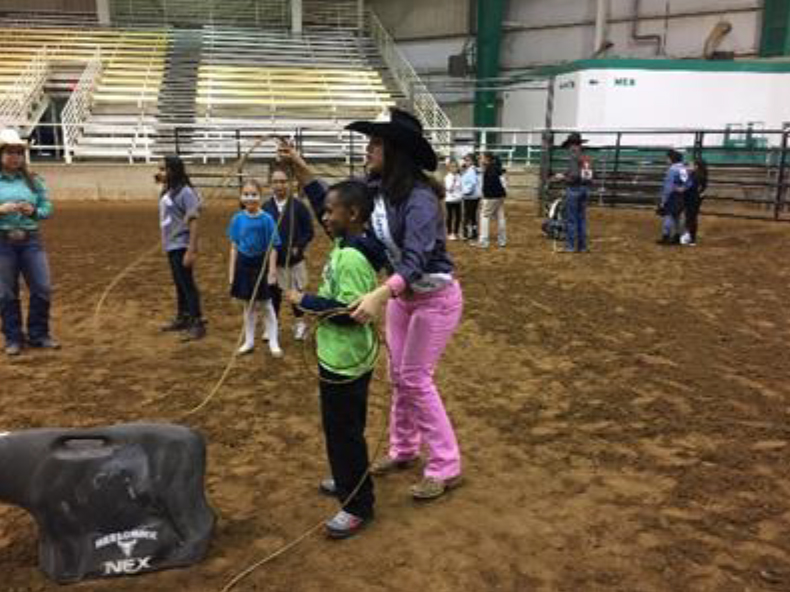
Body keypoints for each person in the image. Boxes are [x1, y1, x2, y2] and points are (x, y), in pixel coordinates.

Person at [282, 108, 464, 501]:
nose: (368, 148)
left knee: (414, 377)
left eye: (376, 143)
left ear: (395, 150)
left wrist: (381, 294)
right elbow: (337, 206)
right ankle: (403, 448)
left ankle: (446, 464)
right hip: (403, 297)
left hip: (434, 299)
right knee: (399, 375)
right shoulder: (374, 190)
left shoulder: (419, 200)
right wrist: (302, 170)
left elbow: (417, 259)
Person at [287, 180, 387, 539]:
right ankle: (348, 478)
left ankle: (357, 504)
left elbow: (351, 312)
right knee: (347, 430)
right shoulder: (352, 244)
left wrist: (306, 301)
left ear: (354, 214)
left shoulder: (350, 255)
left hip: (344, 361)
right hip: (347, 358)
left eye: (331, 212)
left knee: (343, 433)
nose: (324, 218)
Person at [0, 128, 58, 356]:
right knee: (6, 292)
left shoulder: (34, 181)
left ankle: (39, 334)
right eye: (9, 152)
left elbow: (47, 208)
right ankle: (13, 337)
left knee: (42, 287)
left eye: (18, 153)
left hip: (31, 239)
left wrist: (33, 211)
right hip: (2, 241)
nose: (15, 157)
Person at [227, 179, 282, 357]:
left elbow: (273, 245)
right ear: (241, 196)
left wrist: (272, 271)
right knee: (248, 306)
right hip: (243, 265)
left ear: (260, 196)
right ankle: (249, 341)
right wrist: (232, 273)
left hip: (261, 265)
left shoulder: (266, 219)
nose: (250, 198)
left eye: (254, 194)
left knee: (266, 304)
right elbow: (234, 247)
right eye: (246, 194)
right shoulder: (237, 219)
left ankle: (273, 341)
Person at [262, 163, 314, 341]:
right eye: (275, 182)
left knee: (295, 294)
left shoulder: (298, 206)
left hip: (293, 260)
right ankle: (273, 324)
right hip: (273, 262)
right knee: (273, 294)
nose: (279, 185)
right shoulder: (266, 208)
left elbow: (309, 231)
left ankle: (300, 323)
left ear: (290, 183)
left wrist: (298, 245)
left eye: (283, 181)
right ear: (270, 184)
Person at [157, 156, 206, 341]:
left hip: (181, 244)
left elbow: (194, 221)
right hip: (171, 244)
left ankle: (197, 321)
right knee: (179, 283)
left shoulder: (185, 192)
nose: (159, 173)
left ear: (173, 170)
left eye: (163, 169)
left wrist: (191, 249)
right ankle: (183, 316)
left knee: (187, 284)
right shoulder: (168, 191)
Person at [554, 132, 592, 253]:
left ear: (571, 144)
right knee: (581, 218)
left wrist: (563, 178)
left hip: (574, 189)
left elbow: (574, 175)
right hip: (585, 189)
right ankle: (582, 246)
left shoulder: (573, 155)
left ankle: (570, 246)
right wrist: (565, 174)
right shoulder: (585, 156)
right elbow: (585, 174)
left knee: (571, 219)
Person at [476, 152, 507, 248]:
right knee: (500, 217)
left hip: (491, 197)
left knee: (484, 216)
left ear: (487, 159)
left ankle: (483, 241)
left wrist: (485, 197)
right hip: (500, 196)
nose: (480, 160)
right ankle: (502, 240)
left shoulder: (489, 170)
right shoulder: (497, 168)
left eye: (482, 158)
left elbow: (488, 186)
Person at [658, 149, 688, 245]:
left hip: (672, 196)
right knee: (678, 217)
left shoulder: (672, 170)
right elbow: (688, 182)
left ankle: (666, 236)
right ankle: (677, 236)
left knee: (668, 216)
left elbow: (668, 187)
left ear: (671, 159)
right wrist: (683, 188)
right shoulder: (683, 168)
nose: (666, 160)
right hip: (682, 196)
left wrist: (663, 201)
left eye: (667, 158)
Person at [681, 158, 708, 247]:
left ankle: (689, 238)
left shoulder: (694, 175)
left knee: (690, 218)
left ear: (696, 166)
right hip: (696, 199)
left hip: (691, 199)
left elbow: (688, 187)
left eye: (691, 165)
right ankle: (691, 238)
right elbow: (703, 188)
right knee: (692, 217)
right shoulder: (702, 175)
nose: (689, 166)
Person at [460, 153, 480, 240]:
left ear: (472, 161)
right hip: (474, 196)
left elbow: (472, 183)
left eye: (467, 160)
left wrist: (465, 192)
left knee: (467, 216)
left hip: (470, 196)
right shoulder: (471, 170)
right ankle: (474, 233)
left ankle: (465, 233)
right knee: (472, 215)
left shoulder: (471, 171)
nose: (465, 162)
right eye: (465, 160)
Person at [443, 159, 463, 240]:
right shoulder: (447, 177)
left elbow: (461, 187)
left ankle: (456, 232)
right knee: (450, 216)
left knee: (458, 216)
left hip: (458, 199)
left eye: (456, 166)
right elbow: (449, 189)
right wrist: (454, 182)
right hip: (450, 200)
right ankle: (449, 233)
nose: (454, 168)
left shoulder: (459, 176)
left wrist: (461, 195)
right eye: (452, 167)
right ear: (449, 168)